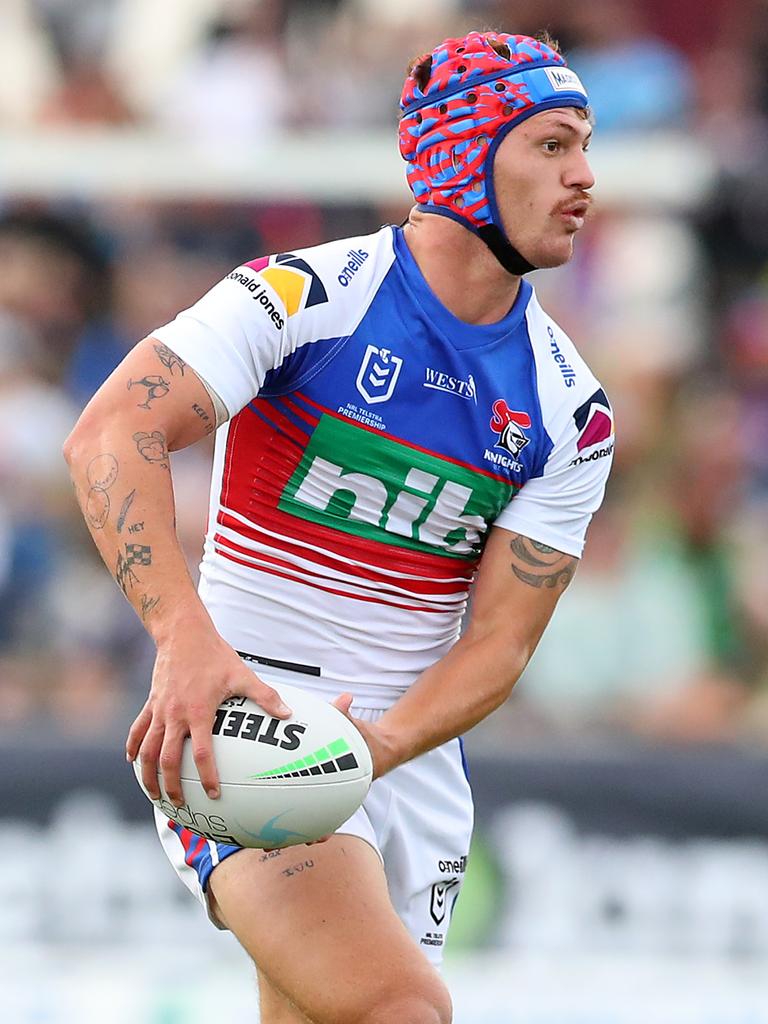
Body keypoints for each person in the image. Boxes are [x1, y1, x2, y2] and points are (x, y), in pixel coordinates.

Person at [64, 30, 613, 1024]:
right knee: (400, 1010)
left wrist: (378, 745)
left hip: (405, 760)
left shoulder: (572, 410)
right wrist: (186, 642)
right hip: (244, 726)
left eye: (585, 146)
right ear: (463, 150)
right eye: (552, 144)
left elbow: (499, 642)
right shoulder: (307, 296)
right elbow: (114, 431)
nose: (584, 177)